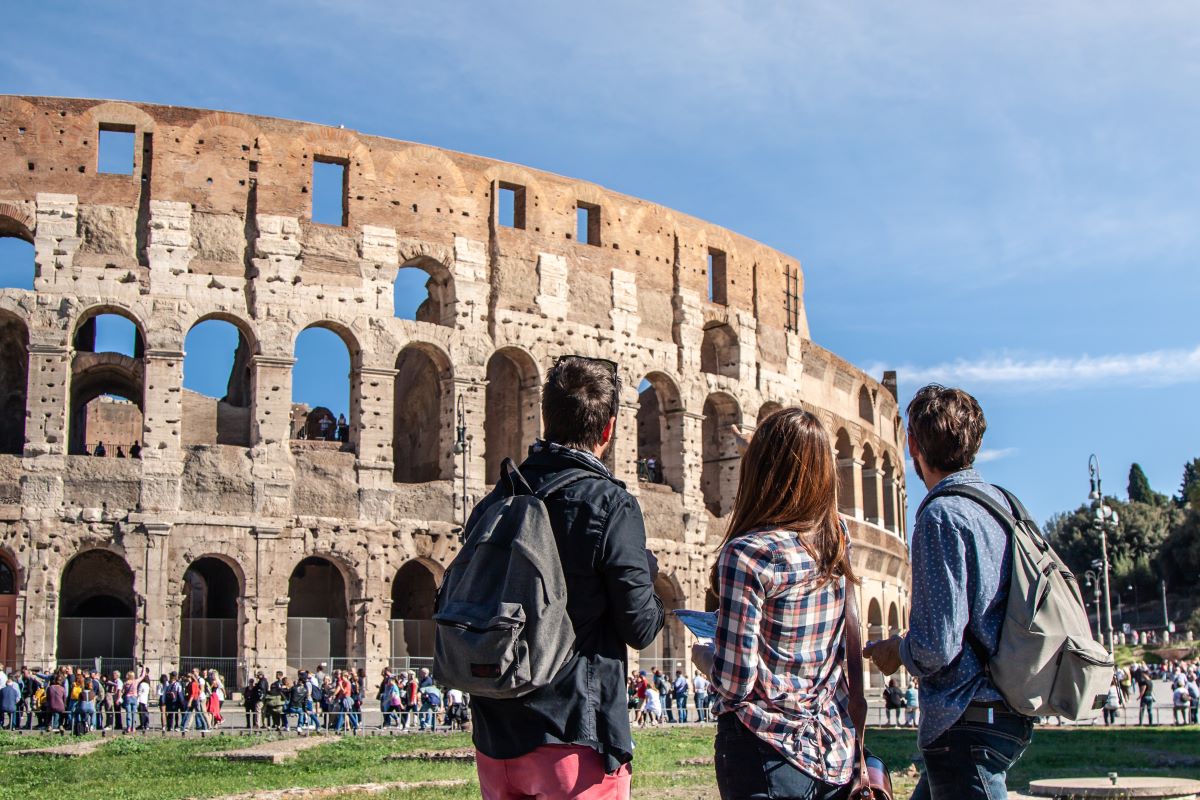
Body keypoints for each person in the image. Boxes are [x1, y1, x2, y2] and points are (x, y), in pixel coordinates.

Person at [467, 355, 664, 800]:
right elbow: (641, 626)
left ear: (545, 417)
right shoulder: (612, 504)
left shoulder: (497, 498)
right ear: (609, 429)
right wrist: (647, 579)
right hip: (573, 732)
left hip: (495, 736)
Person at [864, 384, 1033, 800]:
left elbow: (938, 646)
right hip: (1003, 706)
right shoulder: (1000, 504)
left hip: (965, 717)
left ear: (912, 444)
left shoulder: (942, 515)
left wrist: (897, 651)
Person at [691, 408, 859, 800]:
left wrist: (705, 656)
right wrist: (774, 454)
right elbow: (817, 492)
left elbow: (735, 683)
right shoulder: (837, 540)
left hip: (765, 750)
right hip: (829, 749)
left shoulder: (747, 555)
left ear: (759, 471)